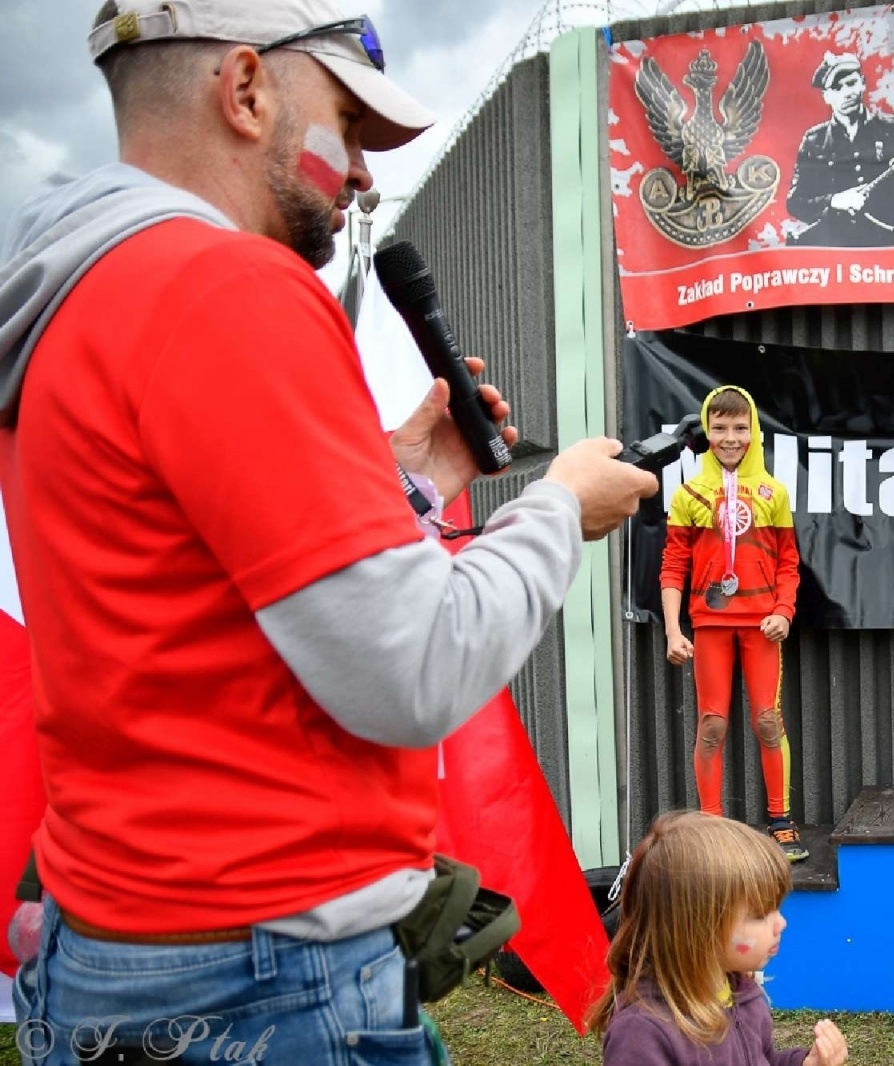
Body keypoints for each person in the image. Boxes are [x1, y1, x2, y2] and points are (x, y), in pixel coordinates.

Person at [0, 1, 658, 1061]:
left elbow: (187, 590)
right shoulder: (226, 286)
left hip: (119, 945)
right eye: (349, 127)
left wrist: (404, 478)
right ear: (247, 90)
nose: (359, 175)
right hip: (264, 977)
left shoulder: (80, 293)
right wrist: (557, 509)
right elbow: (413, 672)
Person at [660, 387, 806, 862]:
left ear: (754, 432)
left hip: (761, 625)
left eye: (740, 428)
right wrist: (672, 630)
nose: (730, 438)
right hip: (710, 626)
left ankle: (781, 822)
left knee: (767, 721)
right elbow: (672, 564)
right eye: (720, 428)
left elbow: (789, 562)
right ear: (707, 430)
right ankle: (711, 826)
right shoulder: (689, 493)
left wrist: (784, 611)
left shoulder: (773, 492)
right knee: (711, 726)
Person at [588, 811, 848, 1065]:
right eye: (759, 914)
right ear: (698, 927)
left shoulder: (742, 995)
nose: (781, 923)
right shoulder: (643, 1034)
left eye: (777, 908)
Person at [786, 51, 894, 247]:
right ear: (826, 96)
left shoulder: (888, 129)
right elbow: (796, 203)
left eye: (851, 83)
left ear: (862, 83)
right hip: (836, 248)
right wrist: (836, 201)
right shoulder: (815, 141)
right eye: (837, 88)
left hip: (885, 242)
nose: (847, 93)